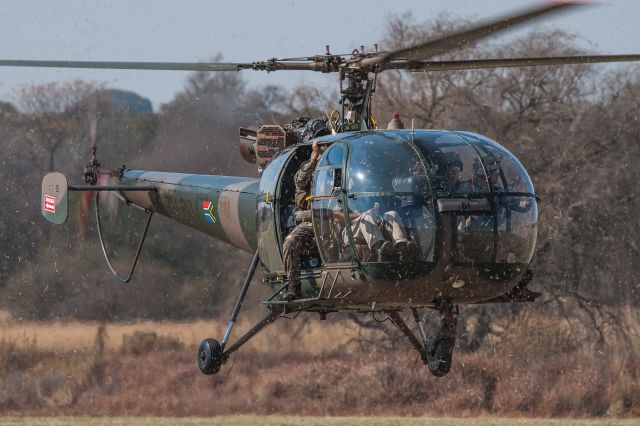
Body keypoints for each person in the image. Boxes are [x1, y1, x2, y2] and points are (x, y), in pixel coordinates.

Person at [282, 140, 322, 301]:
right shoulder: (305, 175)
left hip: (335, 222)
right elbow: (300, 180)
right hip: (310, 223)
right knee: (291, 241)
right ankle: (294, 285)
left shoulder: (339, 174)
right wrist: (314, 158)